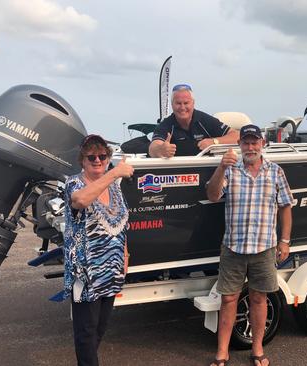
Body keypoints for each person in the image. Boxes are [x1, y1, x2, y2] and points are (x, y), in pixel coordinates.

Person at [206, 125, 293, 366]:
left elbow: (286, 207)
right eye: (246, 142)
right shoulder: (230, 170)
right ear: (240, 145)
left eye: (255, 142)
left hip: (264, 248)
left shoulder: (275, 172)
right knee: (228, 300)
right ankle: (222, 353)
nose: (250, 147)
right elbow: (213, 195)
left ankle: (257, 351)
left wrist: (284, 242)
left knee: (259, 299)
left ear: (262, 144)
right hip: (233, 247)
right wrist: (221, 167)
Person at [63, 134, 134, 366]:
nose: (97, 160)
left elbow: (121, 220)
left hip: (111, 270)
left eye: (102, 156)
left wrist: (125, 254)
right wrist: (114, 172)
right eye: (91, 156)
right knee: (86, 332)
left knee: (99, 329)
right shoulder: (74, 183)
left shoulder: (114, 188)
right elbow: (81, 201)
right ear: (82, 160)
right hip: (86, 274)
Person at [149, 83, 239, 157]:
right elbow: (152, 148)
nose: (182, 107)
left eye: (186, 103)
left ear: (193, 103)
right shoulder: (166, 124)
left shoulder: (204, 120)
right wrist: (161, 150)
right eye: (178, 103)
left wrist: (213, 142)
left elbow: (237, 136)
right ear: (172, 105)